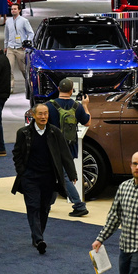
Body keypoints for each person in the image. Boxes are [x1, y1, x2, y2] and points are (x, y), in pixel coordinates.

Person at [12, 104, 76, 254]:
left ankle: (37, 235)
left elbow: (65, 154)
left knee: (44, 208)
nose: (43, 117)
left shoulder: (55, 132)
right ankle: (39, 239)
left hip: (49, 178)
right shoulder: (24, 133)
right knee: (33, 206)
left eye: (45, 114)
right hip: (30, 178)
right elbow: (17, 154)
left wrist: (72, 174)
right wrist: (22, 171)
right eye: (40, 114)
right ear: (33, 115)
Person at [46, 78, 91, 217]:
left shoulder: (49, 105)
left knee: (60, 175)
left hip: (53, 146)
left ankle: (79, 205)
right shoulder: (76, 106)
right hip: (70, 146)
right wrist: (85, 106)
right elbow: (87, 122)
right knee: (57, 175)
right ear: (72, 90)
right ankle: (48, 203)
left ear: (58, 89)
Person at [4, 2, 34, 93]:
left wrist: (27, 43)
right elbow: (6, 34)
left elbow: (31, 33)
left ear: (19, 10)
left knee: (23, 69)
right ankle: (11, 87)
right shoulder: (8, 21)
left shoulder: (24, 21)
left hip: (21, 48)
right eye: (12, 9)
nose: (13, 10)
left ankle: (29, 84)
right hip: (10, 48)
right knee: (9, 68)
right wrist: (5, 46)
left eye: (15, 9)